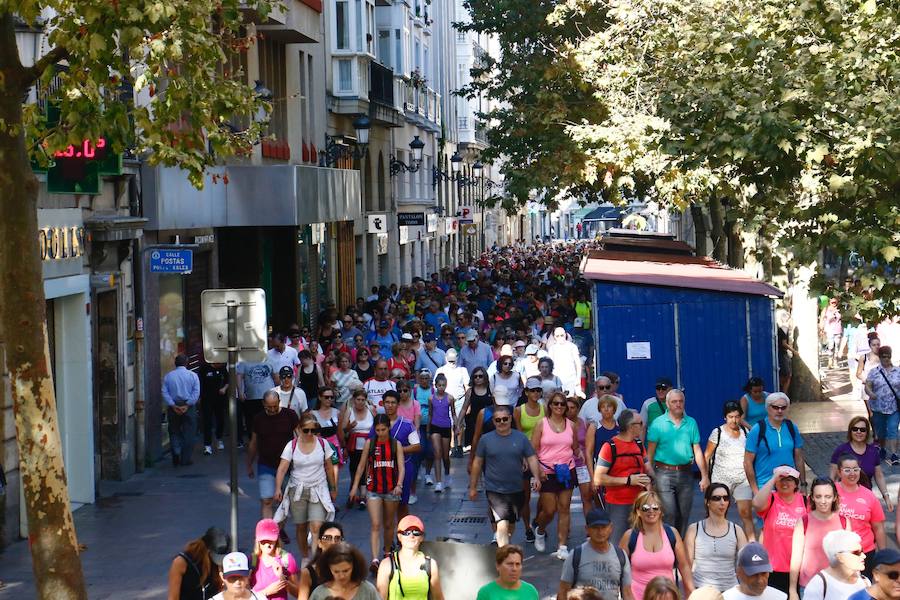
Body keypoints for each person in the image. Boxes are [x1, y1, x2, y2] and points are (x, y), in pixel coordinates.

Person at [469, 404, 543, 547]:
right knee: (502, 523)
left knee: (510, 526)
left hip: (516, 488)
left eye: (504, 419)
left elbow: (532, 458)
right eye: (498, 420)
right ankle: (503, 554)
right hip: (494, 489)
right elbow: (477, 463)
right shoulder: (486, 439)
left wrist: (536, 476)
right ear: (493, 422)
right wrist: (473, 487)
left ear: (510, 419)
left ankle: (504, 547)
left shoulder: (521, 438)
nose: (502, 422)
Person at [273, 413, 338, 564]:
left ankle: (315, 560)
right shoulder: (292, 445)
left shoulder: (323, 444)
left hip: (319, 488)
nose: (310, 434)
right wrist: (278, 488)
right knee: (301, 526)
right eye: (306, 430)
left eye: (313, 430)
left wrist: (333, 488)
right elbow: (282, 468)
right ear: (299, 429)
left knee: (316, 526)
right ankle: (304, 557)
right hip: (298, 490)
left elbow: (329, 467)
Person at [646, 389, 710, 536]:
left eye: (681, 401)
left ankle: (679, 546)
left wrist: (704, 475)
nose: (678, 404)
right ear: (667, 404)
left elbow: (697, 450)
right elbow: (650, 453)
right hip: (663, 473)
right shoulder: (658, 423)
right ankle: (669, 545)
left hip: (685, 473)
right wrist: (648, 476)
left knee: (684, 513)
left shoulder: (691, 422)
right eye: (674, 402)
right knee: (669, 513)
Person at [349, 413, 404, 572]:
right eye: (378, 430)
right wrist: (354, 487)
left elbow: (401, 467)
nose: (380, 433)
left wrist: (399, 484)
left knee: (389, 524)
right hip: (373, 489)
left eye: (383, 430)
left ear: (389, 428)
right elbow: (361, 466)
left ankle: (387, 552)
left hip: (392, 489)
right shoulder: (370, 444)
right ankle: (374, 559)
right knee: (375, 524)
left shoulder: (396, 445)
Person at [620, 490, 694, 599]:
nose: (651, 511)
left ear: (660, 511)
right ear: (638, 511)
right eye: (645, 508)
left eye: (655, 507)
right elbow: (620, 570)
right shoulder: (630, 536)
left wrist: (691, 593)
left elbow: (684, 567)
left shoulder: (672, 533)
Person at [592, 409, 650, 545]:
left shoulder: (639, 444)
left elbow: (648, 467)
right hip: (618, 505)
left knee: (639, 544)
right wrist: (629, 480)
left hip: (640, 503)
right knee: (618, 544)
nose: (643, 426)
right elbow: (598, 478)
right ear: (631, 426)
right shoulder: (609, 447)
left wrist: (652, 481)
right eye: (640, 423)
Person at [532, 391, 579, 559]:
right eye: (556, 403)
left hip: (567, 470)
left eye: (562, 404)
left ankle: (562, 546)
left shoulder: (571, 425)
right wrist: (538, 471)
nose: (559, 406)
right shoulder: (541, 424)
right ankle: (541, 529)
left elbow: (575, 448)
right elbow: (533, 450)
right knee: (549, 510)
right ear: (550, 406)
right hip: (547, 471)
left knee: (564, 508)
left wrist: (584, 456)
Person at [789, 478, 849, 599]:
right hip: (809, 586)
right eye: (818, 496)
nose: (823, 501)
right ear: (812, 498)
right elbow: (796, 557)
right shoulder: (803, 521)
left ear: (835, 497)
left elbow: (850, 556)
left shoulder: (844, 521)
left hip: (838, 586)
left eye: (827, 496)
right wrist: (792, 590)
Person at [557, 507, 635, 600]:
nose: (600, 532)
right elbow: (563, 591)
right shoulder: (576, 555)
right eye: (595, 528)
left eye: (604, 527)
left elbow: (627, 592)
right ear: (587, 529)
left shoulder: (620, 556)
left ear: (611, 528)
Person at [752, 466, 807, 593]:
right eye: (781, 479)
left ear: (796, 484)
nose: (785, 483)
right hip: (772, 568)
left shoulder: (804, 500)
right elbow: (756, 504)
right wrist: (773, 478)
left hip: (798, 568)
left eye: (789, 479)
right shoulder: (771, 499)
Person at [685, 484, 749, 592]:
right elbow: (686, 566)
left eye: (726, 498)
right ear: (707, 502)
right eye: (716, 498)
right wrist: (690, 592)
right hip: (701, 590)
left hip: (730, 591)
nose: (722, 502)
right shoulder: (694, 529)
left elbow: (746, 563)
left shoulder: (737, 530)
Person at [247, 390, 300, 521]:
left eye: (275, 406)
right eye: (269, 406)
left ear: (279, 403)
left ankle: (279, 528)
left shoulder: (290, 415)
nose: (272, 409)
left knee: (286, 500)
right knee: (266, 500)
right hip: (266, 464)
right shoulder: (258, 418)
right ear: (263, 404)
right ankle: (268, 533)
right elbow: (253, 442)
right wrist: (249, 464)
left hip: (287, 465)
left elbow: (299, 437)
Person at [706, 401, 755, 539]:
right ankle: (718, 540)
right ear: (725, 417)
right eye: (731, 417)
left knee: (746, 513)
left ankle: (751, 545)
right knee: (719, 512)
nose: (734, 420)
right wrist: (705, 477)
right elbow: (707, 456)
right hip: (721, 480)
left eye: (737, 416)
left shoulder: (746, 432)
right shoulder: (718, 433)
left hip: (742, 479)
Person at [744, 393, 806, 496]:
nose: (779, 411)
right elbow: (747, 462)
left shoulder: (792, 427)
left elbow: (798, 458)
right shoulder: (757, 430)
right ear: (768, 408)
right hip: (765, 487)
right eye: (775, 407)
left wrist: (803, 484)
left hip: (789, 486)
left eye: (783, 407)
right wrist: (755, 490)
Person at [835, 454, 887, 579]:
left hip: (864, 553)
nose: (852, 473)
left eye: (855, 469)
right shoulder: (830, 491)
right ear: (839, 472)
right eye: (847, 470)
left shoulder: (869, 495)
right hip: (836, 552)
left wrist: (884, 557)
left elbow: (878, 528)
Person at [829, 417, 893, 509]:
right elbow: (832, 477)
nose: (858, 432)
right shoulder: (841, 450)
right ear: (850, 431)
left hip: (866, 499)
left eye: (862, 430)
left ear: (867, 432)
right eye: (855, 429)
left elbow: (878, 475)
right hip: (844, 499)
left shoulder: (873, 451)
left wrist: (886, 497)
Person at [376, 515, 444, 600]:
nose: (411, 536)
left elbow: (439, 598)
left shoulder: (430, 564)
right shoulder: (387, 564)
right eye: (406, 532)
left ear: (422, 537)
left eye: (416, 532)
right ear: (399, 536)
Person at [377, 390, 421, 512]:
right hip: (382, 469)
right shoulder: (377, 423)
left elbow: (417, 446)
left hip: (404, 467)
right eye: (387, 402)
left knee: (402, 505)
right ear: (383, 404)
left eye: (393, 402)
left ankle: (403, 529)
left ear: (398, 405)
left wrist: (398, 449)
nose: (390, 405)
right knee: (383, 508)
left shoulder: (407, 424)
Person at [515, 377, 546, 543]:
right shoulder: (519, 410)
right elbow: (520, 435)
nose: (535, 393)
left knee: (545, 494)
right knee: (525, 495)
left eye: (538, 390)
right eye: (532, 390)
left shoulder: (544, 408)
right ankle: (527, 527)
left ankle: (538, 521)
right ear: (526, 392)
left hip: (542, 456)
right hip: (525, 456)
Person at [801, 529, 869, 600]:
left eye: (862, 551)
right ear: (840, 557)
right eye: (857, 553)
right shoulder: (818, 585)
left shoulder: (864, 581)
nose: (864, 556)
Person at [167, 527, 230, 600]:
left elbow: (221, 592)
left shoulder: (218, 565)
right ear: (207, 550)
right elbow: (173, 598)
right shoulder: (181, 562)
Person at [339, 389, 376, 508]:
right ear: (354, 400)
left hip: (368, 443)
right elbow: (343, 430)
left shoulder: (371, 410)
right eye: (358, 400)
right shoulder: (349, 411)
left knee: (365, 467)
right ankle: (356, 493)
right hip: (353, 444)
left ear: (366, 400)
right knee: (355, 467)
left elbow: (378, 425)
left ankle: (362, 494)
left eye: (362, 400)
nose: (360, 402)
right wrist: (350, 426)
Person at [163, 354, 201, 466]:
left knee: (174, 431)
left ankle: (176, 451)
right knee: (189, 432)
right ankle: (186, 458)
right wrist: (188, 405)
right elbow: (196, 392)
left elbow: (164, 392)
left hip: (173, 407)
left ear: (175, 363)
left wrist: (173, 405)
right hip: (188, 407)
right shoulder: (193, 375)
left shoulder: (169, 376)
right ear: (187, 363)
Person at [864, 346, 900, 465]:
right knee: (881, 431)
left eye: (888, 356)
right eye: (884, 356)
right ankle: (882, 448)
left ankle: (894, 454)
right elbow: (867, 385)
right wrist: (870, 393)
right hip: (878, 407)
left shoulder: (898, 371)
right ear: (879, 357)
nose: (886, 359)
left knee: (893, 429)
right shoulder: (874, 371)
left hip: (894, 407)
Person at [308, 543, 380, 600]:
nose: (341, 576)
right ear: (329, 569)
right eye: (336, 571)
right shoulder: (319, 593)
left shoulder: (367, 590)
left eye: (346, 571)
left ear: (354, 567)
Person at [249, 518, 299, 600]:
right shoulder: (252, 561)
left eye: (271, 540)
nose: (267, 544)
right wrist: (266, 592)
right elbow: (244, 595)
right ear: (257, 541)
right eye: (263, 541)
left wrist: (283, 579)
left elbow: (299, 593)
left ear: (277, 539)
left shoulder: (286, 559)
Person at [297, 522, 346, 600]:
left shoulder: (349, 569)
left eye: (337, 538)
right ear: (319, 543)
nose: (333, 542)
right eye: (327, 538)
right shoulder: (308, 572)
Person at [722, 542, 787, 599]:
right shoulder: (725, 598)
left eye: (764, 573)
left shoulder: (780, 597)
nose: (760, 580)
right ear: (739, 572)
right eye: (754, 574)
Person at [566, 396, 594, 517]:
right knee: (564, 501)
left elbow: (589, 445)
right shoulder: (561, 424)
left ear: (578, 409)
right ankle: (565, 530)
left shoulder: (584, 423)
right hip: (566, 465)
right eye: (567, 408)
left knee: (586, 497)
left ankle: (589, 528)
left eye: (572, 407)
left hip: (582, 464)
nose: (569, 410)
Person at [237, 359, 276, 446]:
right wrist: (240, 392)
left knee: (269, 420)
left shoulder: (268, 359)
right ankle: (253, 441)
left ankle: (268, 441)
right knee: (251, 421)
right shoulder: (244, 361)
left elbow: (275, 376)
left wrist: (278, 392)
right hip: (251, 397)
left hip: (268, 397)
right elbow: (239, 376)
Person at [428, 373, 456, 493]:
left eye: (443, 385)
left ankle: (447, 474)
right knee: (437, 453)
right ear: (435, 386)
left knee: (445, 455)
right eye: (439, 385)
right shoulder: (431, 398)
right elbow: (430, 414)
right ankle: (438, 482)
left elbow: (453, 413)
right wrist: (428, 430)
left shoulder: (450, 398)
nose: (441, 387)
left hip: (446, 427)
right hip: (435, 426)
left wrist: (457, 425)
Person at [461, 366, 495, 449]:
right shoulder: (470, 391)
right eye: (475, 376)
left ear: (485, 377)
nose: (478, 378)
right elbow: (464, 408)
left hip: (488, 422)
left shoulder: (490, 389)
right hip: (473, 423)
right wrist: (458, 423)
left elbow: (496, 406)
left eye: (480, 376)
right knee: (475, 448)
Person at [199, 361, 229, 455]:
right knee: (207, 421)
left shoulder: (223, 369)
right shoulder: (204, 368)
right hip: (207, 399)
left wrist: (224, 389)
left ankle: (219, 438)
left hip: (220, 399)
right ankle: (207, 445)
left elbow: (228, 381)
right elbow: (200, 383)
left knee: (220, 420)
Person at [584, 395, 620, 473]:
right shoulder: (594, 427)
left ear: (614, 409)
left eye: (609, 406)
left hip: (619, 470)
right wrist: (592, 477)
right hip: (600, 471)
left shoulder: (620, 426)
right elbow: (588, 453)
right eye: (603, 407)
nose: (606, 409)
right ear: (599, 410)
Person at [548, 327, 583, 397]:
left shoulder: (572, 346)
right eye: (557, 336)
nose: (560, 337)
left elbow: (578, 364)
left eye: (562, 335)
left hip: (570, 379)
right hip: (557, 379)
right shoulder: (552, 349)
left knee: (569, 401)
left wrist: (578, 379)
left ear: (565, 335)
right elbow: (550, 365)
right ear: (554, 337)